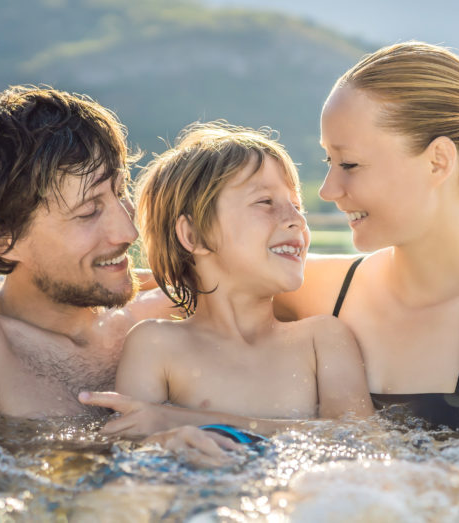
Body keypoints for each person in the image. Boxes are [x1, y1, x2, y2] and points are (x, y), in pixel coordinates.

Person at [85, 42, 459, 436]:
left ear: (438, 161)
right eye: (327, 162)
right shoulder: (314, 288)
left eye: (350, 164)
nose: (327, 190)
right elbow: (185, 285)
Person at [0, 87, 234, 461]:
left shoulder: (172, 307)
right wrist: (138, 469)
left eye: (120, 193)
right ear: (0, 238)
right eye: (89, 211)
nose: (128, 232)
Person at [114, 123, 372, 424]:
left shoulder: (321, 340)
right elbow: (132, 447)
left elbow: (362, 443)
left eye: (296, 205)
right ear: (194, 235)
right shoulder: (155, 345)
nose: (297, 220)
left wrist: (179, 420)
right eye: (265, 202)